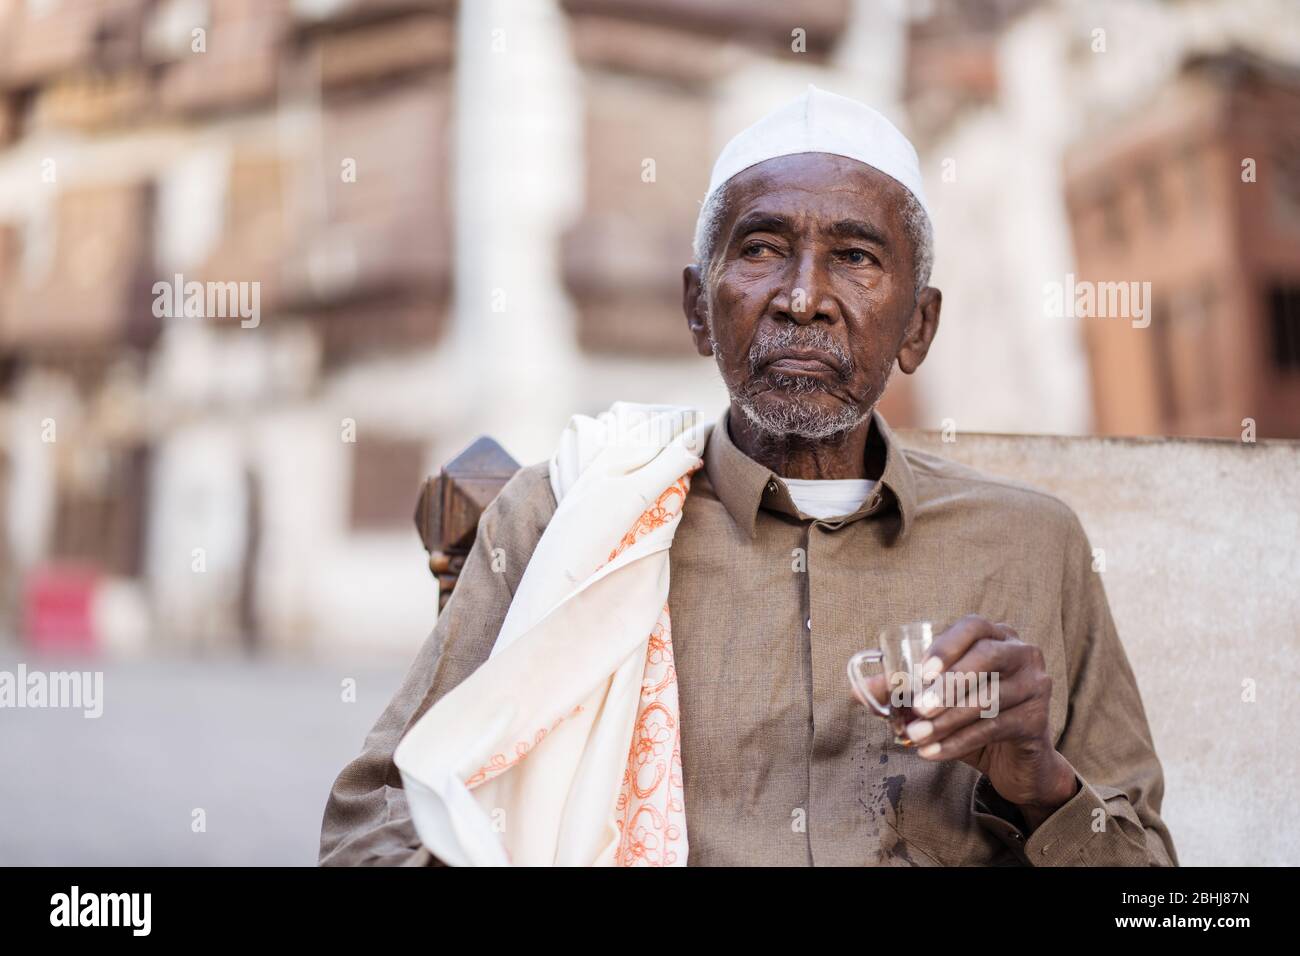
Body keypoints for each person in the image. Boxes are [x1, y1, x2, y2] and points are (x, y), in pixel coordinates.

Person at [319, 86, 1176, 867]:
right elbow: (368, 830)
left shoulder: (1033, 545)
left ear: (919, 325)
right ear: (699, 306)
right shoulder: (569, 522)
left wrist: (1042, 787)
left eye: (856, 258)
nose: (804, 298)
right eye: (763, 248)